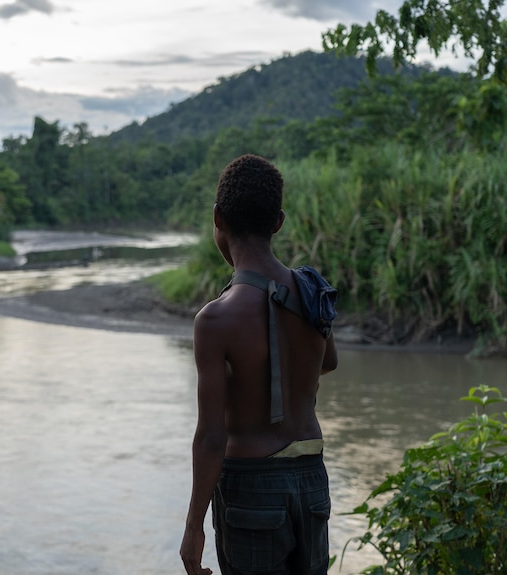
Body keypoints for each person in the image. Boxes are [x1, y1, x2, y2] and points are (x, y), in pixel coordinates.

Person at [180, 154, 339, 575]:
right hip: (312, 483)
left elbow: (212, 437)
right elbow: (329, 361)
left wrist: (193, 526)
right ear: (278, 222)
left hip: (251, 493)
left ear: (218, 218)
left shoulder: (214, 320)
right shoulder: (310, 290)